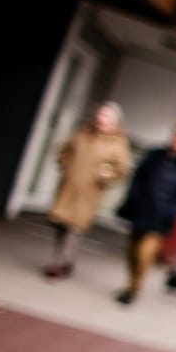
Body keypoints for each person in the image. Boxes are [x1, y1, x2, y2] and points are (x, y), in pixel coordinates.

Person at [114, 118, 176, 306]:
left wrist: (170, 211)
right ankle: (131, 281)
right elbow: (138, 178)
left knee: (145, 253)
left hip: (160, 217)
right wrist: (132, 197)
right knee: (132, 250)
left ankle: (134, 287)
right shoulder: (155, 155)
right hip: (140, 208)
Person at [43, 101, 132, 279]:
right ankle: (66, 261)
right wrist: (66, 165)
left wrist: (106, 175)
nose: (101, 119)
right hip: (69, 187)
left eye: (105, 117)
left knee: (73, 229)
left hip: (89, 193)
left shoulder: (117, 144)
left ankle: (59, 264)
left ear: (114, 122)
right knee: (61, 225)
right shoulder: (83, 134)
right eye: (100, 115)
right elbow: (63, 151)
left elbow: (122, 169)